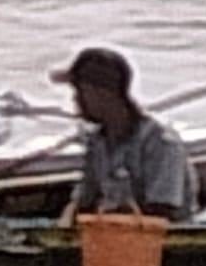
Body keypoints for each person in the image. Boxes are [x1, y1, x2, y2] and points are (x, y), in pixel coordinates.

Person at [51, 47, 197, 225]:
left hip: (157, 240)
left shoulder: (160, 141)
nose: (75, 100)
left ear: (102, 93)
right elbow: (84, 201)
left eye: (80, 92)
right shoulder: (96, 141)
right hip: (113, 234)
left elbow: (162, 211)